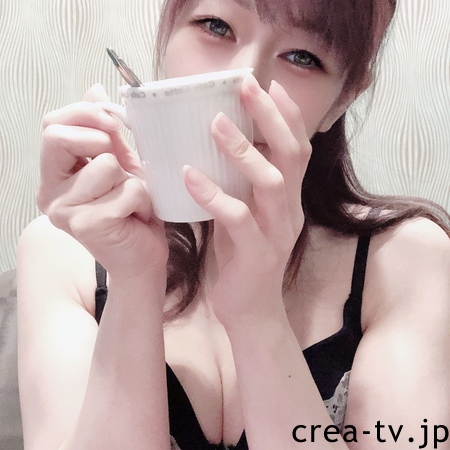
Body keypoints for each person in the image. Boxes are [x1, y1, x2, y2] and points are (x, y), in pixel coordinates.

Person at [16, 0, 450, 449]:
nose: (244, 81)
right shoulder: (62, 250)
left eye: (303, 57)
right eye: (216, 26)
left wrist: (258, 316)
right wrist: (134, 280)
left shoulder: (406, 260)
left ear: (342, 100)